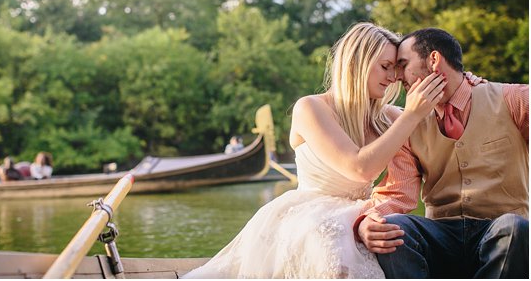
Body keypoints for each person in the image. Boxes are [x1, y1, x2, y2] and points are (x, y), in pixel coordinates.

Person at [182, 22, 447, 278]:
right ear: (356, 64)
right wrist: (410, 116)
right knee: (326, 238)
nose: (393, 78)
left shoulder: (388, 117)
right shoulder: (311, 108)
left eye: (396, 69)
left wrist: (465, 84)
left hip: (361, 213)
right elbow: (359, 168)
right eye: (385, 67)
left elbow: (440, 121)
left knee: (390, 237)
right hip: (309, 214)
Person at [356, 28, 529, 278]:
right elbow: (398, 194)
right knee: (393, 228)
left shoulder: (513, 99)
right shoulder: (408, 124)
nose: (395, 77)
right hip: (441, 234)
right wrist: (368, 221)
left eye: (403, 65)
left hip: (499, 230)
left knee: (514, 228)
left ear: (434, 60)